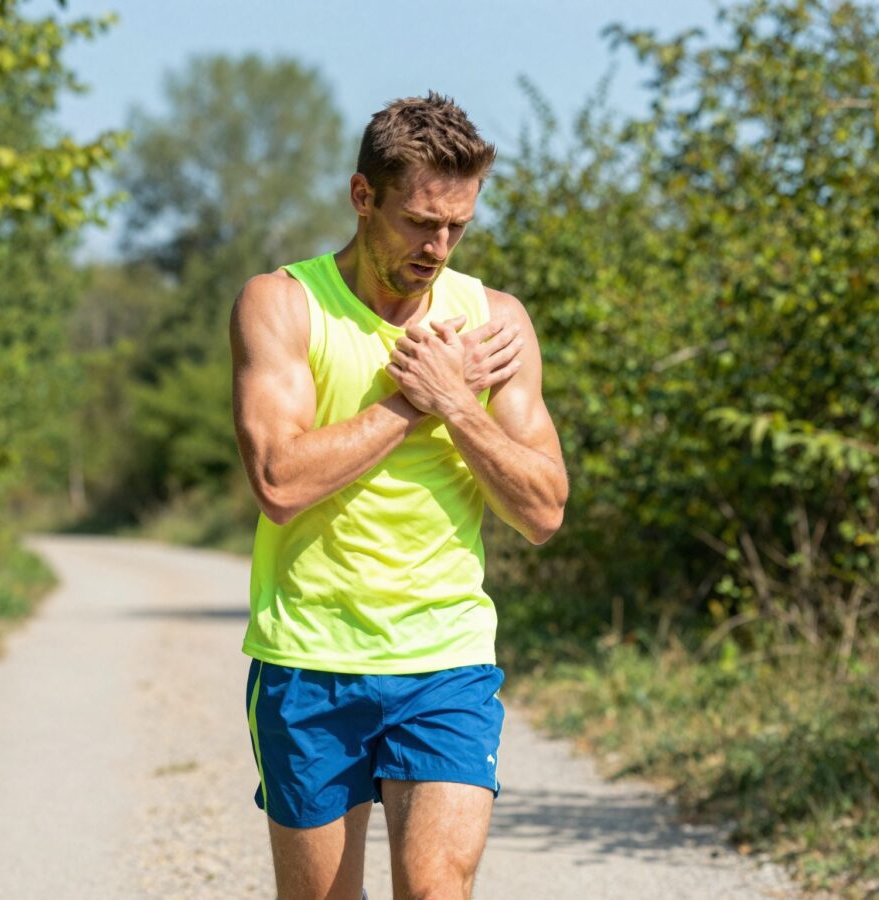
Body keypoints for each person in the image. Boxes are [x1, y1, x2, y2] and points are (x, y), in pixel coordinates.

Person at [231, 91, 567, 900]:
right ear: (362, 196)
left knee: (434, 889)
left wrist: (457, 403)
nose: (438, 246)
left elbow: (544, 509)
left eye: (458, 225)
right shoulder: (283, 304)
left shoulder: (493, 323)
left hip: (445, 658)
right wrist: (412, 399)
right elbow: (280, 481)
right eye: (420, 221)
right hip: (309, 660)